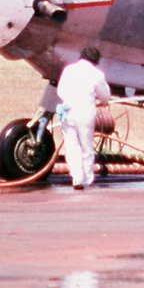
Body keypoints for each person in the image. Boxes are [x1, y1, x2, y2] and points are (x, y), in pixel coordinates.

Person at [55, 46, 110, 190]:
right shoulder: (97, 74)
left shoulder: (68, 70)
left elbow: (60, 91)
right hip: (86, 113)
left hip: (68, 111)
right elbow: (105, 96)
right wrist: (103, 102)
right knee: (86, 146)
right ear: (96, 60)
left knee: (71, 146)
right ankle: (88, 178)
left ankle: (77, 179)